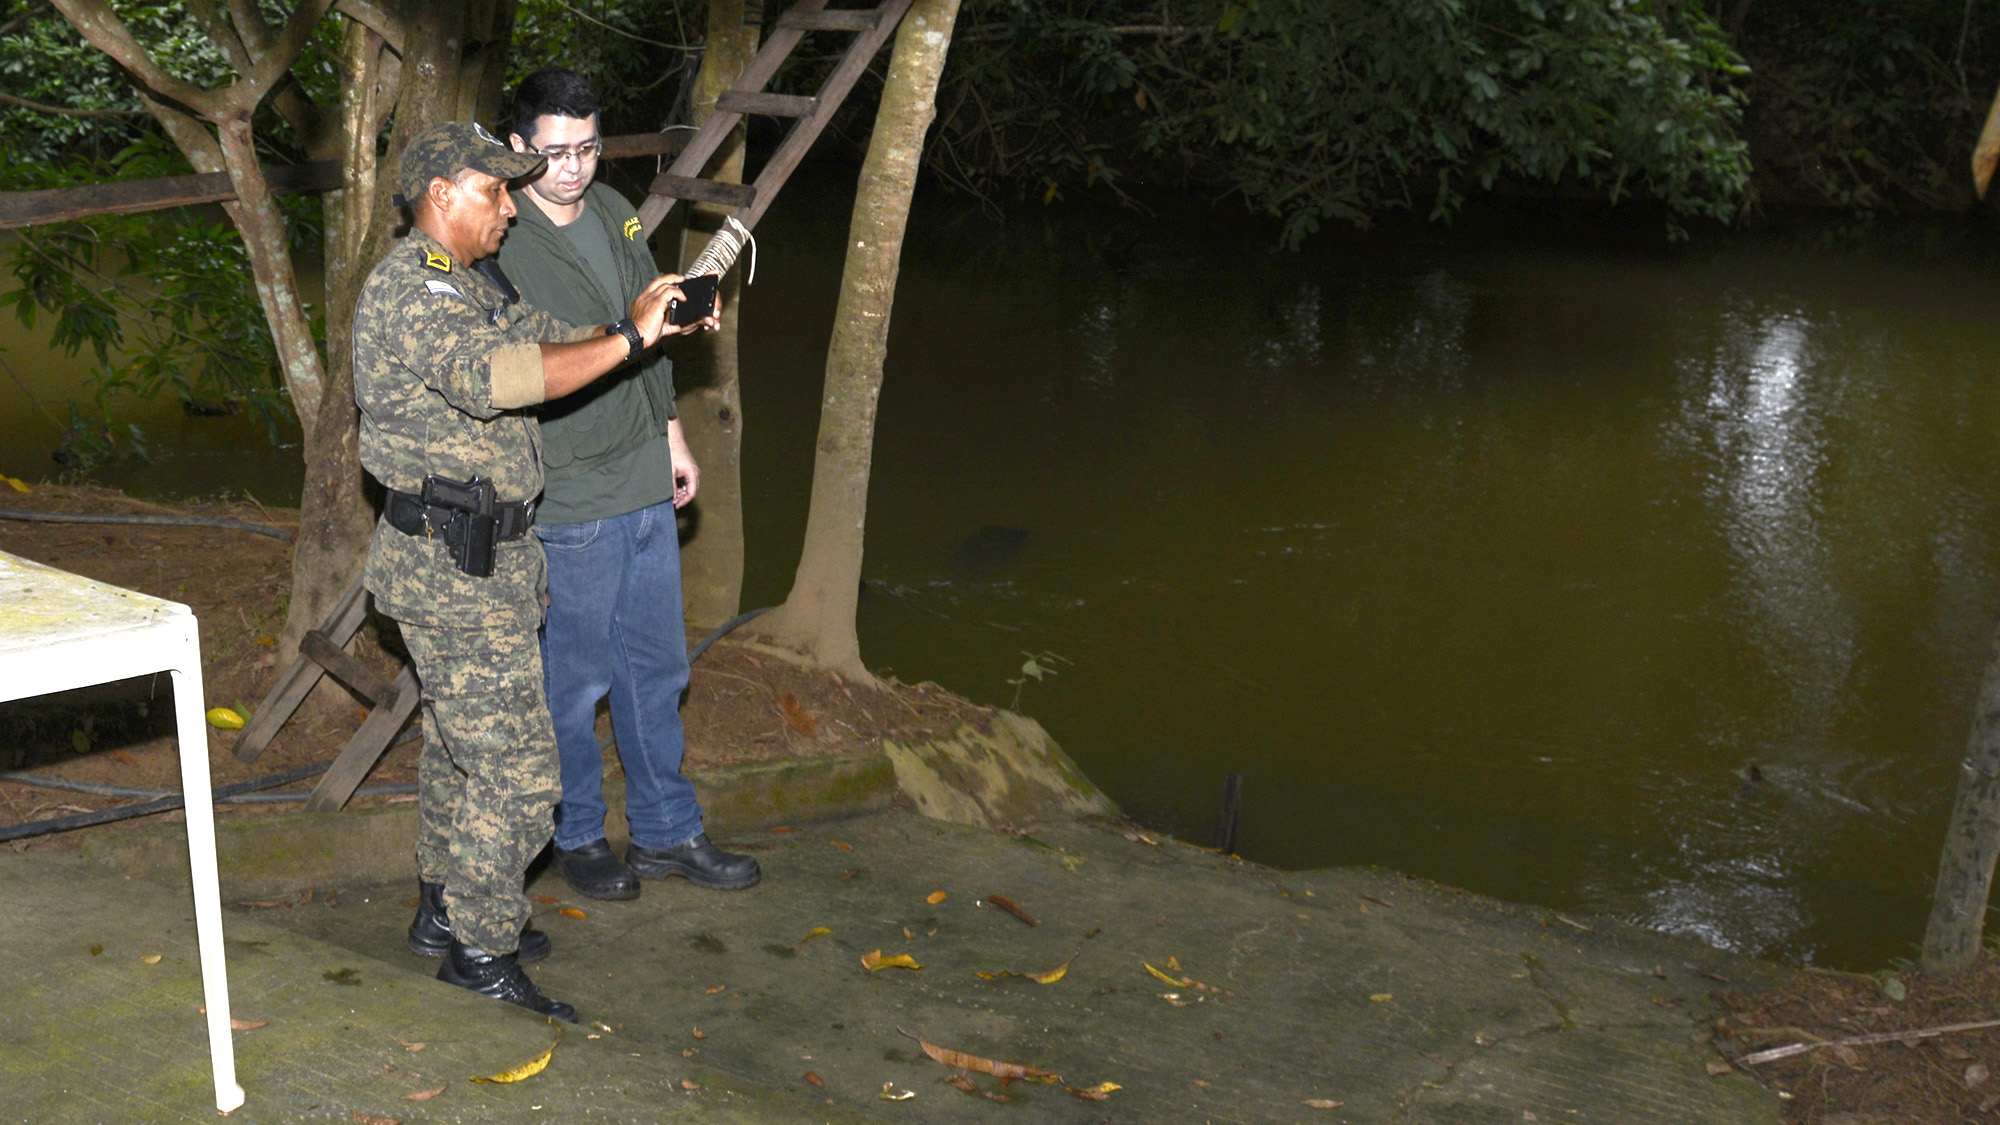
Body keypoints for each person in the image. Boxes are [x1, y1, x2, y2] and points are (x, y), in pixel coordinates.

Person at [352, 119, 709, 1020]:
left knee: (456, 753)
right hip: (450, 570)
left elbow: (546, 334)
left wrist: (644, 318)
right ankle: (480, 946)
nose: (511, 207)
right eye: (494, 190)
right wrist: (627, 344)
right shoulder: (416, 295)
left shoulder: (470, 279)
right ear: (441, 196)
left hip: (479, 559)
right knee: (519, 775)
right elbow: (502, 377)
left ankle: (445, 909)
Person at [497, 67, 760, 900]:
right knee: (574, 683)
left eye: (587, 148)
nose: (573, 167)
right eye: (554, 152)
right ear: (517, 149)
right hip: (572, 490)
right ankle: (576, 832)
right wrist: (634, 324)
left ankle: (665, 830)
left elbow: (644, 337)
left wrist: (675, 434)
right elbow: (550, 358)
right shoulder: (501, 242)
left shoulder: (614, 212)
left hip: (645, 476)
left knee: (656, 667)